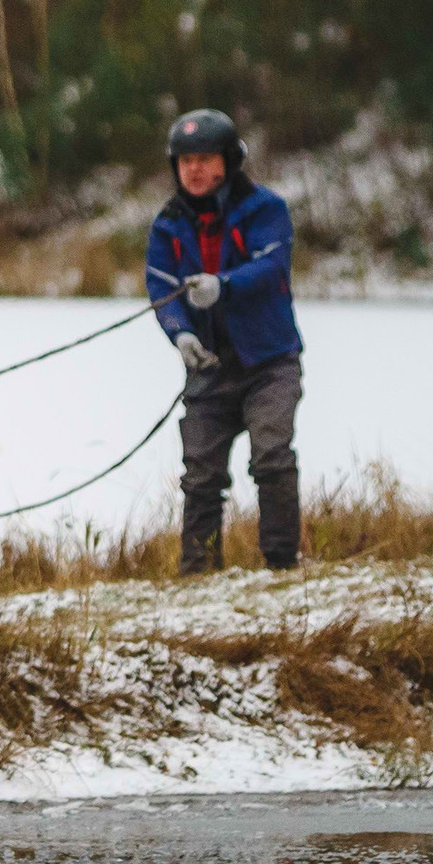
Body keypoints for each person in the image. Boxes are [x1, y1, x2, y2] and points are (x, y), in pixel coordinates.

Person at [146, 109, 304, 574]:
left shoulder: (266, 209)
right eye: (184, 160)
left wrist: (223, 285)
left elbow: (271, 266)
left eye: (205, 158)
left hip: (270, 363)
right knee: (200, 476)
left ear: (229, 161)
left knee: (272, 459)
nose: (193, 169)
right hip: (209, 366)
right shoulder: (167, 224)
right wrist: (182, 334)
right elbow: (160, 287)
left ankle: (281, 565)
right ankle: (198, 575)